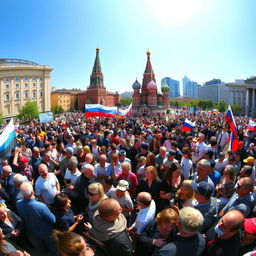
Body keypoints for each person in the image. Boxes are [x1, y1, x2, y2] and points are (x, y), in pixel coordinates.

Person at [16, 182, 56, 255]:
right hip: (46, 233)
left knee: (42, 250)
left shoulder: (18, 203)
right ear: (32, 192)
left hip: (33, 233)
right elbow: (53, 220)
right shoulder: (41, 206)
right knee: (53, 250)